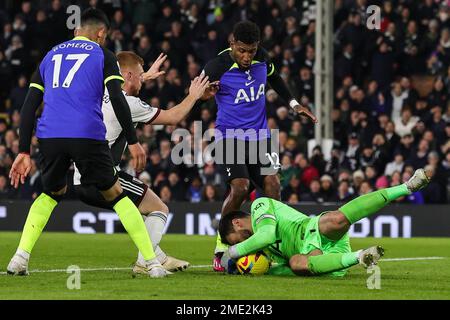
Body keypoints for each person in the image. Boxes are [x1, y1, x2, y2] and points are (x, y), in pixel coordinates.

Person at [7, 9, 165, 278]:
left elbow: (29, 105)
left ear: (76, 30)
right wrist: (134, 140)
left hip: (50, 135)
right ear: (101, 34)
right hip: (87, 134)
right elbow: (117, 97)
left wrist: (23, 150)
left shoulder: (51, 54)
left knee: (51, 193)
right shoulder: (104, 55)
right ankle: (152, 263)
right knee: (115, 193)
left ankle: (19, 258)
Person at [73, 51, 210, 273]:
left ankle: (160, 258)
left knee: (143, 209)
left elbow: (122, 85)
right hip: (101, 176)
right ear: (127, 75)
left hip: (82, 175)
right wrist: (193, 95)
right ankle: (145, 261)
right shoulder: (130, 104)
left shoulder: (100, 91)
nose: (143, 80)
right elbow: (173, 117)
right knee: (158, 208)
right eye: (139, 75)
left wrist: (143, 76)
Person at [201, 21, 317, 271]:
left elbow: (277, 80)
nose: (246, 56)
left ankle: (270, 245)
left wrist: (295, 104)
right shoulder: (217, 66)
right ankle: (221, 247)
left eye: (251, 51)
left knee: (273, 185)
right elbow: (195, 93)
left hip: (260, 137)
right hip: (229, 136)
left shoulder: (263, 59)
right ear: (232, 43)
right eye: (242, 50)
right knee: (240, 188)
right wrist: (203, 96)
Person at [219, 169, 430, 276]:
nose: (239, 245)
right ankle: (360, 257)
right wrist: (265, 271)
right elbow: (285, 269)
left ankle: (407, 187)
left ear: (237, 223)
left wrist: (232, 252)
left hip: (313, 231)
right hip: (322, 260)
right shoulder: (264, 251)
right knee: (295, 264)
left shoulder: (260, 205)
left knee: (336, 219)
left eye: (235, 240)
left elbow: (266, 234)